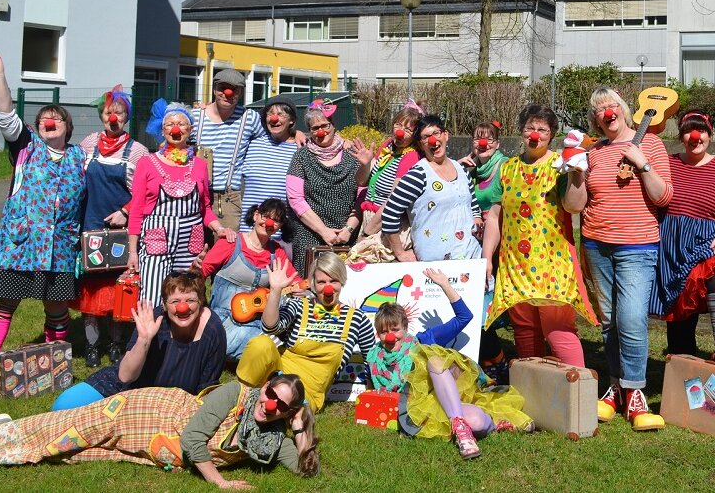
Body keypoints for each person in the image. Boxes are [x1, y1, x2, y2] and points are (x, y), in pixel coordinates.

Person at [0, 374, 320, 488]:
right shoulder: (236, 394)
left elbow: (305, 469)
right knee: (71, 426)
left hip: (148, 448)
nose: (272, 404)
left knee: (73, 451)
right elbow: (192, 440)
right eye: (273, 393)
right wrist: (220, 483)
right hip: (149, 411)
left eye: (283, 405)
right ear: (266, 387)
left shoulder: (271, 439)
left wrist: (301, 430)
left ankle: (7, 435)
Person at [0, 52, 87, 387]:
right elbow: (6, 114)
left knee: (56, 306)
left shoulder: (81, 156)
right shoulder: (26, 146)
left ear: (68, 127)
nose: (49, 123)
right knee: (5, 301)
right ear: (36, 128)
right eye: (43, 120)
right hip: (20, 244)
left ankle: (52, 365)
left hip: (60, 247)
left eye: (57, 120)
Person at [570, 87, 671, 431]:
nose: (608, 112)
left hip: (637, 246)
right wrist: (576, 173)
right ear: (594, 119)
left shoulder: (651, 144)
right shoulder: (593, 152)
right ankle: (615, 386)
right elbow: (576, 205)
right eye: (600, 109)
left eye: (612, 105)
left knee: (631, 318)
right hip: (596, 244)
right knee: (610, 320)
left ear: (625, 110)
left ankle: (635, 391)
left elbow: (663, 197)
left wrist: (641, 164)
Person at [367, 269, 533, 459]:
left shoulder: (423, 339)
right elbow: (371, 392)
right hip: (417, 408)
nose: (390, 336)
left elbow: (464, 317)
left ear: (405, 328)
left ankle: (465, 431)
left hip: (442, 397)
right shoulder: (373, 356)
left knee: (434, 359)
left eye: (395, 329)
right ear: (377, 333)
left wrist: (445, 284)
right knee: (477, 422)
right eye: (383, 331)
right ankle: (493, 423)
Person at [483, 105, 595, 368]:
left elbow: (575, 206)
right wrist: (487, 257)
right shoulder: (507, 168)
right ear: (521, 133)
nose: (535, 134)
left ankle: (577, 391)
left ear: (552, 135)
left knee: (557, 331)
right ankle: (533, 393)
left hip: (551, 264)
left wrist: (578, 173)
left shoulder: (560, 165)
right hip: (515, 265)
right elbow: (493, 217)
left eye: (542, 129)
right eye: (529, 128)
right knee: (524, 328)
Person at [648, 110, 715, 370]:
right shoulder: (667, 163)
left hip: (709, 243)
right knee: (680, 317)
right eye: (689, 131)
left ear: (710, 135)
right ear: (681, 135)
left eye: (702, 131)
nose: (696, 137)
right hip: (671, 246)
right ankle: (682, 372)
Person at [52, 272, 226, 411]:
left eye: (190, 300)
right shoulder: (153, 318)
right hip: (130, 388)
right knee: (63, 406)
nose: (183, 307)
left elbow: (206, 390)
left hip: (175, 405)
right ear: (164, 305)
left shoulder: (213, 330)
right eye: (175, 301)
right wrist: (144, 339)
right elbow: (126, 376)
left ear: (201, 302)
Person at [237, 252, 376, 412]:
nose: (328, 288)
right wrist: (275, 290)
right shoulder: (298, 306)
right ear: (313, 284)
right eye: (321, 282)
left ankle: (265, 407)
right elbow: (270, 327)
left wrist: (373, 398)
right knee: (261, 343)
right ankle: (241, 398)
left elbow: (372, 361)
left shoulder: (357, 319)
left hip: (306, 391)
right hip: (278, 374)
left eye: (333, 281)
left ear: (342, 282)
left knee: (280, 409)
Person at [128, 100, 234, 307]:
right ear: (162, 129)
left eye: (181, 124)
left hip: (190, 244)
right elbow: (137, 210)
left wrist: (219, 228)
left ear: (190, 129)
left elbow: (205, 209)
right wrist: (133, 252)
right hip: (155, 242)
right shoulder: (147, 163)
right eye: (169, 124)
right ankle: (152, 338)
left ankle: (186, 338)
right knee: (152, 298)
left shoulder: (200, 165)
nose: (175, 129)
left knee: (188, 297)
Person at [73, 85, 150, 367]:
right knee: (91, 292)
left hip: (121, 230)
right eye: (108, 112)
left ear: (126, 117)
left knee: (121, 289)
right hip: (91, 226)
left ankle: (116, 344)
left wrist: (126, 212)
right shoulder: (89, 143)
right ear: (101, 115)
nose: (112, 117)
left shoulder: (138, 151)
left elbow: (145, 192)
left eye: (118, 112)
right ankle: (92, 346)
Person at [201, 198, 299, 359]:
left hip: (257, 323)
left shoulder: (277, 252)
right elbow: (199, 275)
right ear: (255, 215)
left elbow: (294, 281)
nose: (268, 223)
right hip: (224, 321)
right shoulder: (231, 242)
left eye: (275, 221)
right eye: (265, 216)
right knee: (270, 350)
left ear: (280, 226)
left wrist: (303, 288)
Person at [382, 114, 483, 262]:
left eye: (436, 133)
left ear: (446, 135)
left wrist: (477, 219)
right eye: (425, 137)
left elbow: (473, 205)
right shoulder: (418, 174)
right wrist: (400, 252)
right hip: (435, 267)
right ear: (421, 144)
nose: (432, 140)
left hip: (471, 259)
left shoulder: (461, 169)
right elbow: (390, 213)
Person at [286, 101, 370, 276]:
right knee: (311, 286)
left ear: (333, 126)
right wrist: (323, 231)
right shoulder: (301, 157)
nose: (320, 132)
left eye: (325, 125)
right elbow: (295, 199)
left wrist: (348, 229)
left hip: (346, 234)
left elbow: (362, 193)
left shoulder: (352, 154)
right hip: (310, 234)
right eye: (315, 128)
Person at [190, 69, 269, 231]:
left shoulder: (249, 118)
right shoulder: (194, 117)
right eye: (223, 88)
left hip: (227, 199)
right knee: (193, 252)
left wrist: (294, 134)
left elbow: (270, 139)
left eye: (235, 89)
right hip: (193, 196)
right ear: (214, 89)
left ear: (240, 93)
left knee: (225, 251)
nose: (228, 93)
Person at [238, 97, 303, 242]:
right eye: (270, 114)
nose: (274, 118)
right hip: (248, 232)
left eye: (281, 114)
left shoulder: (300, 148)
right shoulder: (252, 144)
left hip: (280, 235)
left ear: (291, 120)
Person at [361, 107, 422, 239]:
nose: (400, 132)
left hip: (385, 225)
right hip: (370, 217)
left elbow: (394, 202)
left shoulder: (410, 157)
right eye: (398, 125)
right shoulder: (388, 145)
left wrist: (367, 233)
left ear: (415, 135)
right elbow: (362, 181)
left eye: (408, 130)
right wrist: (365, 164)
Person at [460, 120, 508, 216]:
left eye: (489, 139)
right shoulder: (473, 172)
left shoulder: (506, 166)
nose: (483, 143)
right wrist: (459, 166)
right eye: (477, 139)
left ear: (497, 144)